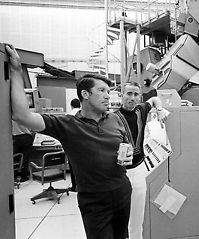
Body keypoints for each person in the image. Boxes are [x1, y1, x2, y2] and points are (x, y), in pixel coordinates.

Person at [7, 44, 133, 239]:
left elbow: (127, 146)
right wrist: (16, 71)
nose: (108, 95)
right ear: (85, 94)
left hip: (122, 191)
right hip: (94, 199)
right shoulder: (66, 125)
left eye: (109, 91)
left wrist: (129, 155)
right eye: (102, 90)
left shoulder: (116, 119)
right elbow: (21, 115)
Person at [115, 81, 167, 239]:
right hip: (118, 173)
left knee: (137, 217)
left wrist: (160, 109)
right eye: (128, 93)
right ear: (121, 95)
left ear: (140, 97)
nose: (132, 97)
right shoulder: (112, 117)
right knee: (119, 216)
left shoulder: (141, 110)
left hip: (138, 170)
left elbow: (154, 99)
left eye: (136, 94)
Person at [66, 98, 81, 192]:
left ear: (71, 105)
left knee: (73, 167)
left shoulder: (68, 115)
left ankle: (74, 186)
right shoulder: (84, 114)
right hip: (84, 144)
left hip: (72, 145)